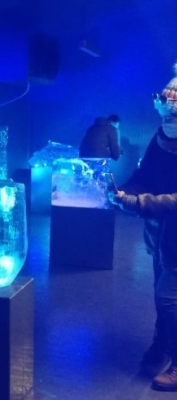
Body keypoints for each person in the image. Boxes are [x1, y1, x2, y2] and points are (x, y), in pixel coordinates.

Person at [110, 77, 177, 391]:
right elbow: (146, 174)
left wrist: (136, 202)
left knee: (169, 297)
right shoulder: (161, 136)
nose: (169, 119)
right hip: (161, 235)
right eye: (167, 112)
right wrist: (124, 192)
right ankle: (163, 344)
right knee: (162, 296)